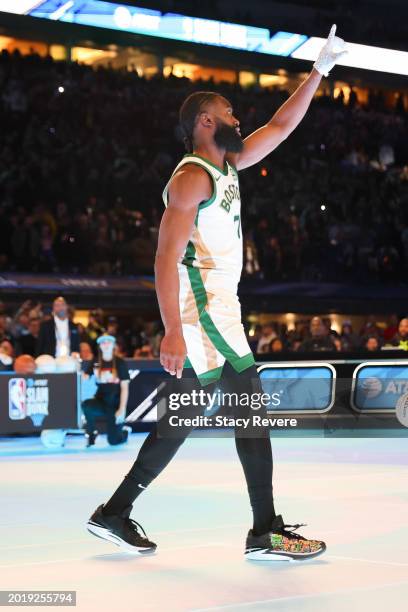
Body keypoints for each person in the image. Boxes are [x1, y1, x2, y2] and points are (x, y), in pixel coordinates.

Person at [86, 25, 347, 559]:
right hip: (201, 310)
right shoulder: (191, 178)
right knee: (247, 408)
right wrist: (173, 331)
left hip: (218, 307)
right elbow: (163, 257)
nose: (237, 119)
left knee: (184, 418)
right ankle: (265, 530)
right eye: (229, 112)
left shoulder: (226, 165)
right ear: (205, 121)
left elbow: (280, 125)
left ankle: (116, 512)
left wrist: (318, 71)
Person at [82, 334, 131, 447]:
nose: (106, 345)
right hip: (101, 402)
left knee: (113, 441)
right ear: (99, 346)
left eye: (109, 342)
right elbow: (84, 377)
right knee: (86, 405)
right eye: (103, 343)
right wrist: (76, 362)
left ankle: (125, 432)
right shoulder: (95, 361)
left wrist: (122, 409)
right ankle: (92, 433)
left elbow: (125, 387)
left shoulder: (120, 363)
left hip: (115, 405)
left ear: (113, 345)